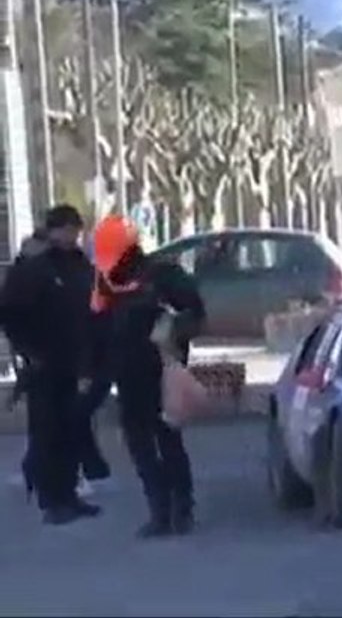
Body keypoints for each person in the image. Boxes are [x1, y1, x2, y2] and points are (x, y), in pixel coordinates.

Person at [91, 215, 206, 538]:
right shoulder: (105, 281)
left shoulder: (163, 275)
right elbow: (98, 325)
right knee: (142, 443)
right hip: (127, 374)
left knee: (166, 439)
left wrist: (172, 332)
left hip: (160, 370)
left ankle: (180, 508)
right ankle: (161, 509)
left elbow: (195, 314)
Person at [0, 206, 101, 524]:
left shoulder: (81, 266)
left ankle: (69, 494)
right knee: (47, 433)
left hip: (76, 363)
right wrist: (27, 351)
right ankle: (51, 499)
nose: (71, 237)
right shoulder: (35, 269)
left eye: (76, 230)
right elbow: (10, 312)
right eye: (66, 230)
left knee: (73, 430)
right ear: (54, 231)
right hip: (44, 364)